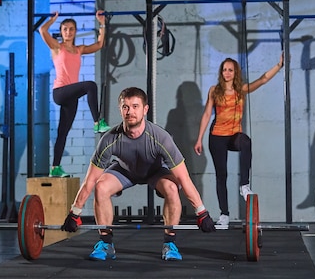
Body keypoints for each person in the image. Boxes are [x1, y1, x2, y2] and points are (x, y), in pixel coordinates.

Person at [60, 87, 217, 261]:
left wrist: (201, 212)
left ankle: (169, 244)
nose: (130, 112)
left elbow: (184, 178)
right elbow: (90, 180)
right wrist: (75, 212)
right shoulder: (109, 139)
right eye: (125, 107)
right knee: (101, 186)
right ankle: (106, 244)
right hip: (125, 171)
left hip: (155, 172)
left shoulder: (160, 138)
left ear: (145, 109)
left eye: (135, 106)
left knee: (173, 188)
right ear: (120, 110)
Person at [194, 55, 283, 227]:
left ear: (235, 73)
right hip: (217, 136)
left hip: (234, 135)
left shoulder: (241, 90)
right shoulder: (214, 90)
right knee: (222, 176)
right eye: (224, 70)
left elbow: (263, 79)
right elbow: (206, 114)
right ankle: (224, 214)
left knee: (246, 142)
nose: (227, 73)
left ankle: (244, 185)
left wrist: (279, 65)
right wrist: (199, 139)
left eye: (230, 70)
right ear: (221, 72)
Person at [39, 10, 111, 178]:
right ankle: (97, 122)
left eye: (71, 29)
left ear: (75, 31)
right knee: (90, 85)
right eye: (65, 29)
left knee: (63, 132)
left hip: (71, 96)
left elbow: (100, 44)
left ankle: (55, 168)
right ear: (62, 32)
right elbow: (43, 31)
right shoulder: (57, 47)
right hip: (60, 92)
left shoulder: (79, 50)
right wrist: (52, 19)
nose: (68, 32)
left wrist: (102, 23)